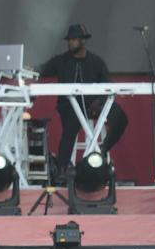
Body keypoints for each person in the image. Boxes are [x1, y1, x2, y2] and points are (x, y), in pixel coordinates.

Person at [39, 24, 128, 180]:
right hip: (70, 107)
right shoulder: (60, 61)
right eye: (69, 40)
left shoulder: (97, 62)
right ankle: (61, 170)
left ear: (82, 41)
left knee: (121, 117)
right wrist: (24, 70)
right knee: (69, 131)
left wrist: (99, 101)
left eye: (73, 40)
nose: (70, 43)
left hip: (94, 105)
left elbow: (108, 84)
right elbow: (40, 69)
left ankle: (103, 149)